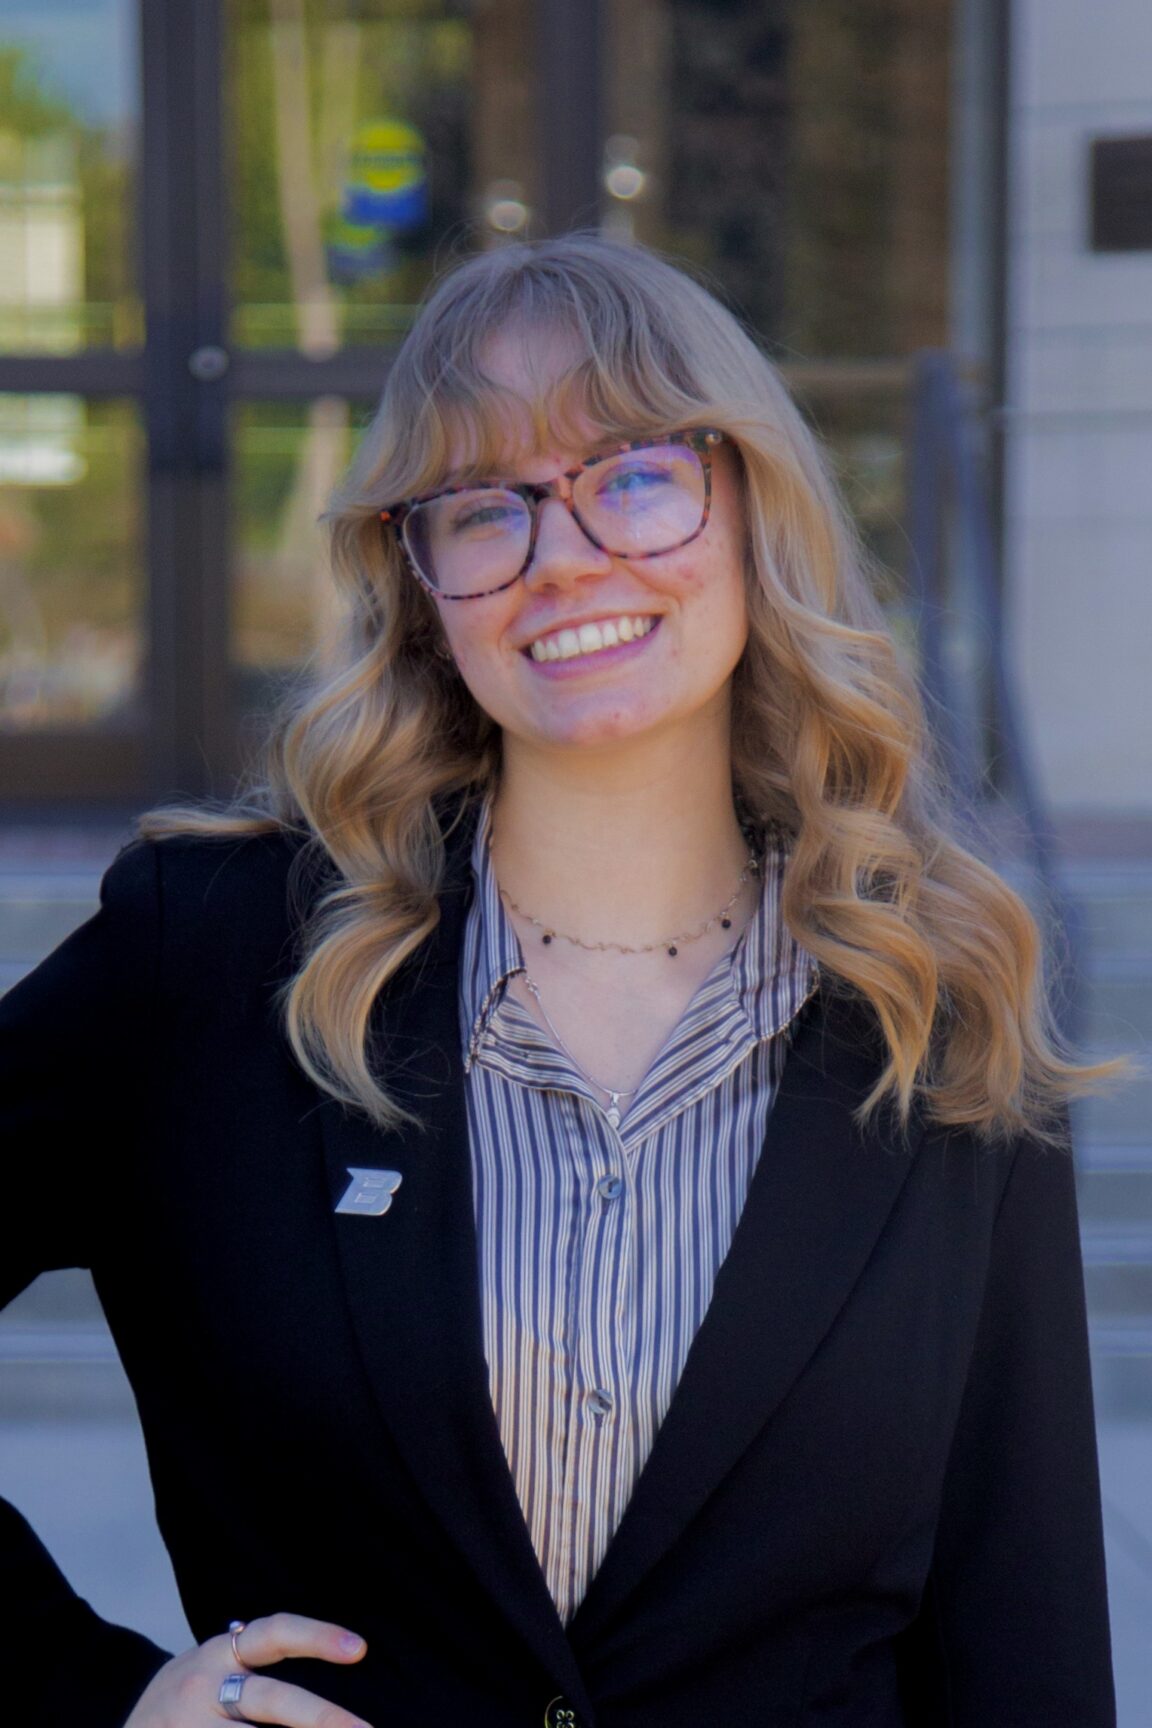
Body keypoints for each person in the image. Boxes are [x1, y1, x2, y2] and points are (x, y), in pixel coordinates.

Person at [0, 234, 1131, 1728]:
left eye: (637, 475)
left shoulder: (941, 998)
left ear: (750, 507)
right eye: (485, 510)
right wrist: (96, 1701)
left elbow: (1021, 1619)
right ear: (421, 586)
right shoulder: (210, 959)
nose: (567, 555)